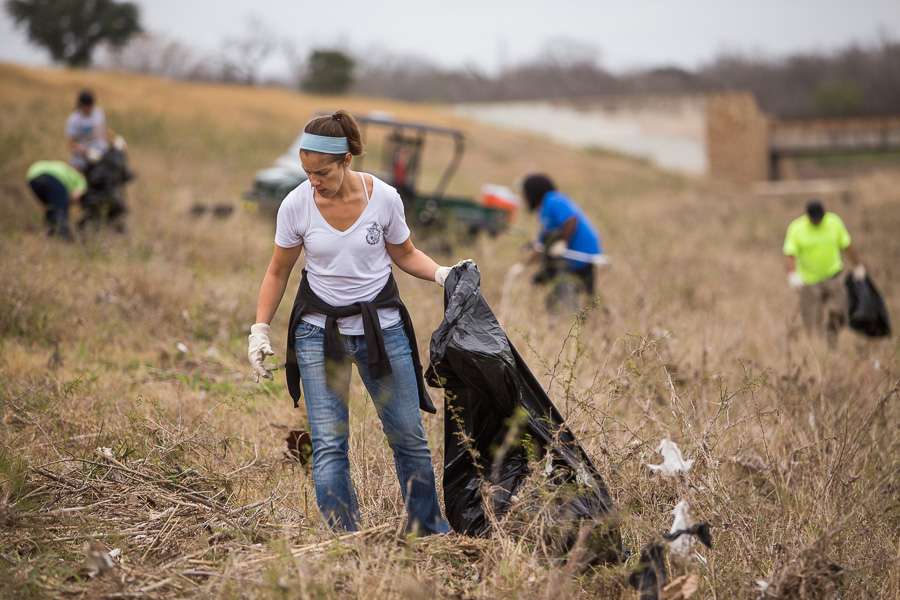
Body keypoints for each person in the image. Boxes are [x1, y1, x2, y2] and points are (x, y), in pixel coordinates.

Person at [248, 110, 459, 534]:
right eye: (307, 172)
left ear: (346, 160)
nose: (313, 182)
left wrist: (441, 274)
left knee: (409, 438)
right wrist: (259, 329)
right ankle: (346, 538)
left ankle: (429, 530)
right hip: (316, 334)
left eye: (321, 172)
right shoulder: (296, 204)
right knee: (329, 444)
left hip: (383, 332)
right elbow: (277, 271)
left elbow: (405, 254)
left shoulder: (384, 198)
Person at [783, 199, 865, 344]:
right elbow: (789, 253)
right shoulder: (796, 228)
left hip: (833, 277)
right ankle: (818, 348)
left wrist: (857, 265)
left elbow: (847, 245)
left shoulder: (834, 223)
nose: (817, 221)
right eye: (814, 219)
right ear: (807, 216)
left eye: (820, 218)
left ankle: (831, 337)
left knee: (840, 311)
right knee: (812, 319)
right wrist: (792, 274)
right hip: (809, 282)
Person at [521, 174, 603, 304]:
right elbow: (541, 245)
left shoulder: (554, 199)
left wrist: (562, 242)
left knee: (586, 294)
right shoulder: (544, 211)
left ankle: (597, 315)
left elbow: (571, 219)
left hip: (582, 253)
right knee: (565, 291)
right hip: (568, 258)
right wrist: (523, 265)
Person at [26, 160, 87, 241]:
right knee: (60, 210)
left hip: (33, 177)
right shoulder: (81, 178)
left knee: (51, 208)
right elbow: (76, 195)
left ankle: (49, 234)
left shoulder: (63, 167)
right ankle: (64, 239)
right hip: (54, 179)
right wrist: (67, 202)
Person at [66, 89, 121, 173]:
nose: (88, 109)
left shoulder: (99, 113)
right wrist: (87, 153)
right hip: (83, 159)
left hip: (102, 154)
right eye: (86, 107)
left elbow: (104, 131)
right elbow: (71, 144)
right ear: (81, 105)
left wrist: (116, 140)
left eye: (90, 107)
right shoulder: (75, 119)